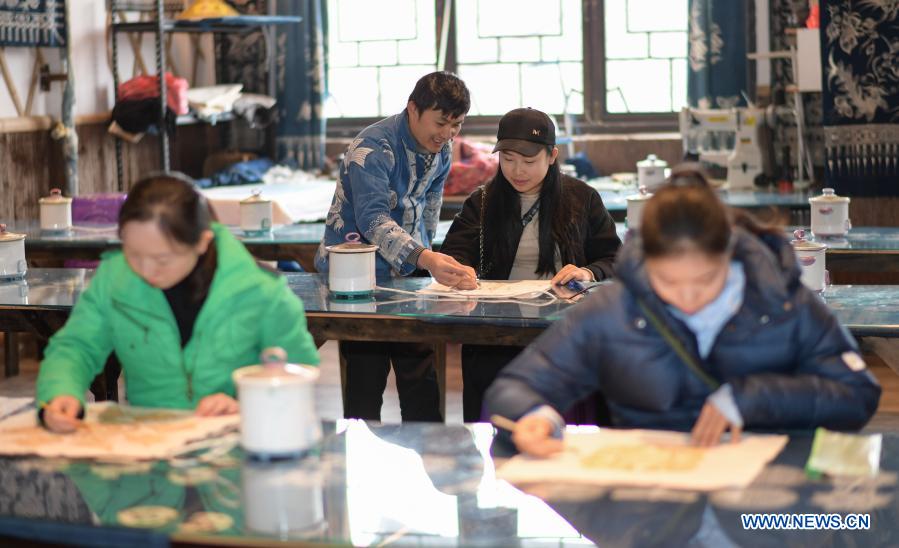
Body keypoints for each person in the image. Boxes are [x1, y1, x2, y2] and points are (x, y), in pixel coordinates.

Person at [485, 166, 881, 456]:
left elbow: (856, 395)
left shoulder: (779, 299)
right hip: (654, 505)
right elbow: (513, 388)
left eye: (706, 280)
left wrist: (751, 398)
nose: (689, 298)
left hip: (768, 500)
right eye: (669, 283)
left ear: (730, 255)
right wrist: (535, 415)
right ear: (647, 264)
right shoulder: (617, 307)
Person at [37, 173, 320, 433]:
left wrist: (246, 404)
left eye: (162, 259)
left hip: (237, 453)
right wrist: (60, 392)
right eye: (134, 254)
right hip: (151, 452)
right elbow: (76, 347)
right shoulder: (115, 280)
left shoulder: (260, 291)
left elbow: (300, 372)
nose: (146, 270)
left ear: (202, 242)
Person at [440, 107, 621, 421]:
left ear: (552, 156)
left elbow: (614, 259)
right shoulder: (482, 202)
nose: (517, 171)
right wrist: (459, 270)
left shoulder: (582, 198)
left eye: (528, 161)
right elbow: (455, 253)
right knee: (497, 416)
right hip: (496, 331)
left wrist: (587, 271)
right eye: (507, 160)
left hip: (565, 328)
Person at [314, 71, 477, 422]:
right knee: (365, 380)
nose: (447, 134)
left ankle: (431, 454)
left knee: (420, 378)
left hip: (408, 275)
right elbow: (372, 219)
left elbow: (430, 208)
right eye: (441, 122)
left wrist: (427, 263)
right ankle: (359, 461)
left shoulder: (442, 149)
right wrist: (427, 258)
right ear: (413, 109)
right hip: (356, 276)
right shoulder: (373, 147)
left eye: (457, 125)